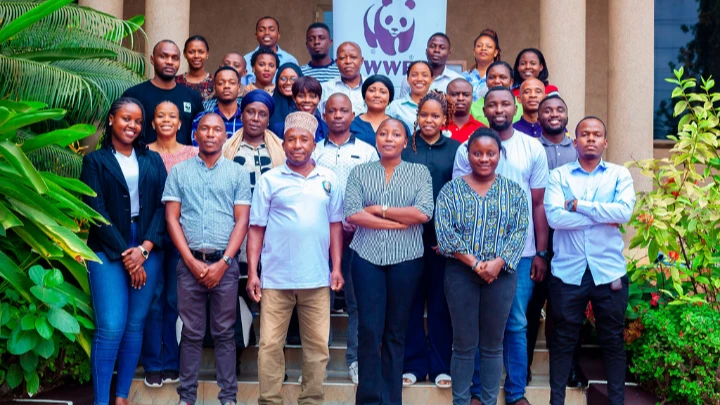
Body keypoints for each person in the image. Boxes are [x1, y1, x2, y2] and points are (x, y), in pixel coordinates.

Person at [454, 87, 550, 405]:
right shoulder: (465, 149)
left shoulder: (532, 147)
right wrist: (473, 258)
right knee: (481, 324)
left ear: (516, 107)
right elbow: (459, 197)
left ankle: (516, 392)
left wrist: (540, 251)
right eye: (492, 104)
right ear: (484, 108)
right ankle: (480, 392)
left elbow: (538, 204)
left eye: (505, 103)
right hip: (473, 256)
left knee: (516, 321)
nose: (499, 109)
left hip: (517, 253)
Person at [246, 111, 344, 405]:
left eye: (304, 140)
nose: (297, 145)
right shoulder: (270, 180)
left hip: (316, 279)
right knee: (270, 346)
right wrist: (253, 272)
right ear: (284, 144)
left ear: (314, 145)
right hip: (276, 279)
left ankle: (311, 400)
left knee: (318, 348)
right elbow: (256, 229)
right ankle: (270, 401)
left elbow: (335, 225)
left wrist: (336, 267)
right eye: (291, 139)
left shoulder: (329, 179)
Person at [81, 97, 167, 405]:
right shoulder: (95, 161)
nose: (132, 125)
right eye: (126, 119)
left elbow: (163, 207)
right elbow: (95, 212)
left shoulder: (152, 160)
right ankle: (101, 401)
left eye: (137, 121)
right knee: (111, 326)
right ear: (111, 120)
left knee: (134, 325)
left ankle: (122, 397)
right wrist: (128, 256)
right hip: (107, 246)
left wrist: (143, 250)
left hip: (147, 243)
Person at [545, 116, 635, 405]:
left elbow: (623, 213)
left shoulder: (620, 175)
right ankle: (556, 401)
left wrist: (580, 206)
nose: (591, 139)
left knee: (612, 341)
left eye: (597, 135)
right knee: (563, 342)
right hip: (567, 273)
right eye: (585, 134)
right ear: (576, 141)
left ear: (605, 142)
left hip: (608, 273)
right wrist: (601, 217)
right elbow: (555, 218)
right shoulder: (559, 176)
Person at [344, 118, 434, 405]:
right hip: (366, 256)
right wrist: (396, 222)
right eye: (383, 133)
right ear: (376, 139)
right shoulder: (360, 172)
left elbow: (422, 213)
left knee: (396, 329)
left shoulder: (419, 173)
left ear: (405, 142)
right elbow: (353, 213)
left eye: (396, 134)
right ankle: (369, 398)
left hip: (406, 259)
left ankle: (391, 398)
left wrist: (379, 211)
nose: (389, 138)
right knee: (369, 329)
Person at [164, 113, 252, 405]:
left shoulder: (237, 173)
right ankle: (186, 398)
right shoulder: (179, 172)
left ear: (225, 135)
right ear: (195, 134)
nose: (211, 134)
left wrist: (224, 262)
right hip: (189, 265)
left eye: (217, 129)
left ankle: (228, 398)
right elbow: (172, 218)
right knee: (190, 332)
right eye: (205, 129)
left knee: (225, 333)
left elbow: (242, 221)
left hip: (224, 266)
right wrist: (190, 260)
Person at [437, 127, 530, 405]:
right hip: (460, 274)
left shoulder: (513, 191)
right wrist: (477, 264)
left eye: (491, 153)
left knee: (492, 345)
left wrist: (497, 264)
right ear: (468, 154)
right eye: (477, 153)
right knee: (463, 345)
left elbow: (519, 230)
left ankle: (489, 402)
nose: (484, 158)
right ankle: (461, 401)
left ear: (500, 155)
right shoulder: (451, 190)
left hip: (501, 276)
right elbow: (445, 234)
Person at [313, 93, 378, 384]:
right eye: (332, 111)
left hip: (357, 236)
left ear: (353, 116)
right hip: (318, 237)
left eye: (344, 111)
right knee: (316, 300)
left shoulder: (367, 151)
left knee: (357, 302)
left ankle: (355, 360)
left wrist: (356, 216)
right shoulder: (313, 151)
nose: (338, 115)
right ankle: (317, 361)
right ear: (324, 116)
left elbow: (376, 189)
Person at [401, 91, 460, 389]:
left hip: (442, 242)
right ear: (417, 115)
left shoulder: (457, 149)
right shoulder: (405, 148)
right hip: (407, 238)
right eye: (424, 115)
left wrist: (448, 236)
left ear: (445, 118)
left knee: (439, 305)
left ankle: (440, 366)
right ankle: (412, 363)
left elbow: (460, 195)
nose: (429, 120)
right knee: (411, 302)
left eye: (435, 116)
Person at [141, 101, 198, 388]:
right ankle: (153, 363)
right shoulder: (142, 153)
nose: (166, 120)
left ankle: (173, 362)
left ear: (180, 123)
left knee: (176, 301)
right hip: (149, 237)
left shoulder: (193, 154)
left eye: (172, 116)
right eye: (160, 115)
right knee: (152, 300)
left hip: (181, 237)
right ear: (152, 123)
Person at [525, 95, 580, 387]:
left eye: (560, 109)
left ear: (567, 115)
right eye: (548, 110)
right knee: (532, 308)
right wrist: (539, 250)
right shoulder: (532, 149)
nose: (554, 114)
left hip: (572, 243)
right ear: (538, 115)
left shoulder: (580, 149)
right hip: (537, 241)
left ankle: (570, 367)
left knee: (567, 311)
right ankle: (525, 366)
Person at [122, 40, 203, 145]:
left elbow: (200, 132)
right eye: (163, 56)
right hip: (143, 159)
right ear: (152, 59)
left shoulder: (192, 96)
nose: (169, 62)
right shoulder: (134, 95)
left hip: (184, 160)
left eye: (175, 58)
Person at [399, 33, 463, 98]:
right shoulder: (411, 79)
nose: (436, 50)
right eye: (432, 46)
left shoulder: (457, 80)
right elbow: (402, 105)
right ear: (426, 51)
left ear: (448, 53)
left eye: (442, 48)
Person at [192, 66, 243, 144]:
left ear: (239, 87)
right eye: (221, 83)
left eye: (232, 83)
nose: (226, 86)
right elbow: (197, 151)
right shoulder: (201, 119)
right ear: (215, 89)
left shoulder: (248, 119)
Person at [244, 16, 298, 85]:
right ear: (256, 35)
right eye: (261, 30)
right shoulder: (246, 59)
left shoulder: (290, 60)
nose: (266, 33)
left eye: (271, 30)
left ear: (278, 35)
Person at [272, 76, 329, 142]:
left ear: (319, 98)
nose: (307, 100)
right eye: (301, 96)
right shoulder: (280, 129)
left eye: (312, 96)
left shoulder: (327, 128)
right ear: (294, 98)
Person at [469, 61, 523, 126]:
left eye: (502, 77)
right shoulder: (472, 107)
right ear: (486, 82)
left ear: (511, 82)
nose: (497, 81)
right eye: (492, 77)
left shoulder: (522, 106)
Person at [320, 42, 366, 115]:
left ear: (361, 61)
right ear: (336, 62)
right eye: (342, 58)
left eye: (353, 57)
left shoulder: (372, 88)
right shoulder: (324, 89)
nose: (348, 61)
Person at [387, 61, 434, 130]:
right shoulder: (396, 106)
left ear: (432, 79)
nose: (419, 79)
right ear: (408, 79)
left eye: (424, 75)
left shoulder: (439, 105)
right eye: (414, 75)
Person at [350, 75, 395, 146]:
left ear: (390, 98)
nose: (377, 95)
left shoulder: (399, 126)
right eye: (372, 91)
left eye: (383, 92)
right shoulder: (351, 124)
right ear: (364, 96)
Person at [463, 29, 501, 101]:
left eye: (488, 46)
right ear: (474, 51)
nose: (483, 48)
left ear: (495, 52)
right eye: (479, 46)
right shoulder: (462, 77)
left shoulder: (501, 78)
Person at [445, 78, 485, 143]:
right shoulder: (437, 127)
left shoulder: (482, 130)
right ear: (446, 97)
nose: (460, 98)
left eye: (466, 95)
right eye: (455, 94)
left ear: (472, 98)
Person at [176, 35, 214, 100]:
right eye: (191, 52)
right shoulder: (176, 81)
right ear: (185, 54)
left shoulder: (216, 81)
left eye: (201, 52)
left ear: (207, 54)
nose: (196, 56)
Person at [270, 63, 303, 131]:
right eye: (283, 78)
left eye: (293, 79)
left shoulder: (307, 104)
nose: (288, 82)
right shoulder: (269, 106)